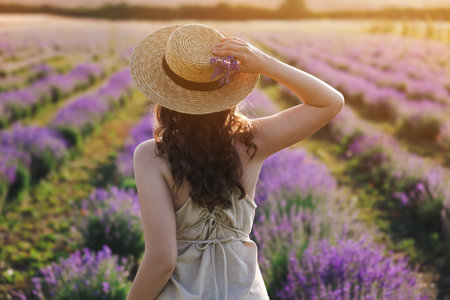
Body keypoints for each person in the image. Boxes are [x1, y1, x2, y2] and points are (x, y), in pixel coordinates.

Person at [126, 23, 344, 300]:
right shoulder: (251, 142)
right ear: (227, 90)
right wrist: (264, 63)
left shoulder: (151, 156)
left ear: (165, 94)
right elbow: (330, 102)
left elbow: (162, 260)